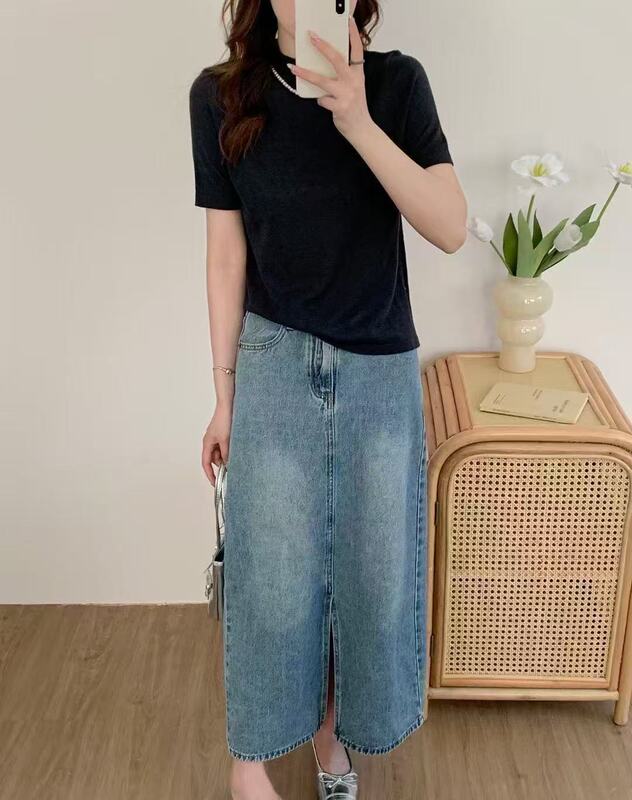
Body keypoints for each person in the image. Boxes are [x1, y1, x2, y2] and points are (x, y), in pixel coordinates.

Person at [189, 1, 467, 797]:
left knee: (371, 575)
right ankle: (249, 763)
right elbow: (225, 253)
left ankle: (333, 743)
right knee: (272, 572)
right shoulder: (220, 96)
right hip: (274, 358)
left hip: (379, 364)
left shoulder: (397, 84)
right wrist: (223, 396)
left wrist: (359, 120)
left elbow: (451, 226)